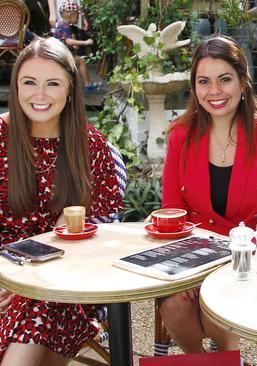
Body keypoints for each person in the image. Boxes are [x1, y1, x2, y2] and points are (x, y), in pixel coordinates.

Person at [158, 35, 257, 354]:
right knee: (172, 307)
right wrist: (189, 269)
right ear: (194, 87)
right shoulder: (180, 135)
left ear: (243, 81)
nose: (214, 91)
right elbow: (172, 211)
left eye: (225, 80)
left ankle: (227, 357)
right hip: (194, 257)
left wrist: (237, 263)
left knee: (219, 305)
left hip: (248, 260)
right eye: (204, 81)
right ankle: (202, 360)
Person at [0, 37, 122, 365]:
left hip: (67, 282)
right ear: (16, 87)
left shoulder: (90, 145)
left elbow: (100, 233)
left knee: (40, 305)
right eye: (30, 83)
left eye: (52, 83)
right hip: (3, 279)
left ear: (70, 89)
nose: (40, 95)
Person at [53, 0, 96, 92]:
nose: (78, 18)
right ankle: (87, 85)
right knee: (81, 61)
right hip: (59, 56)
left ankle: (85, 84)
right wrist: (85, 42)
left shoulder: (64, 25)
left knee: (79, 60)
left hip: (62, 53)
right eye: (77, 15)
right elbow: (68, 41)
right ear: (70, 15)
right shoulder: (64, 26)